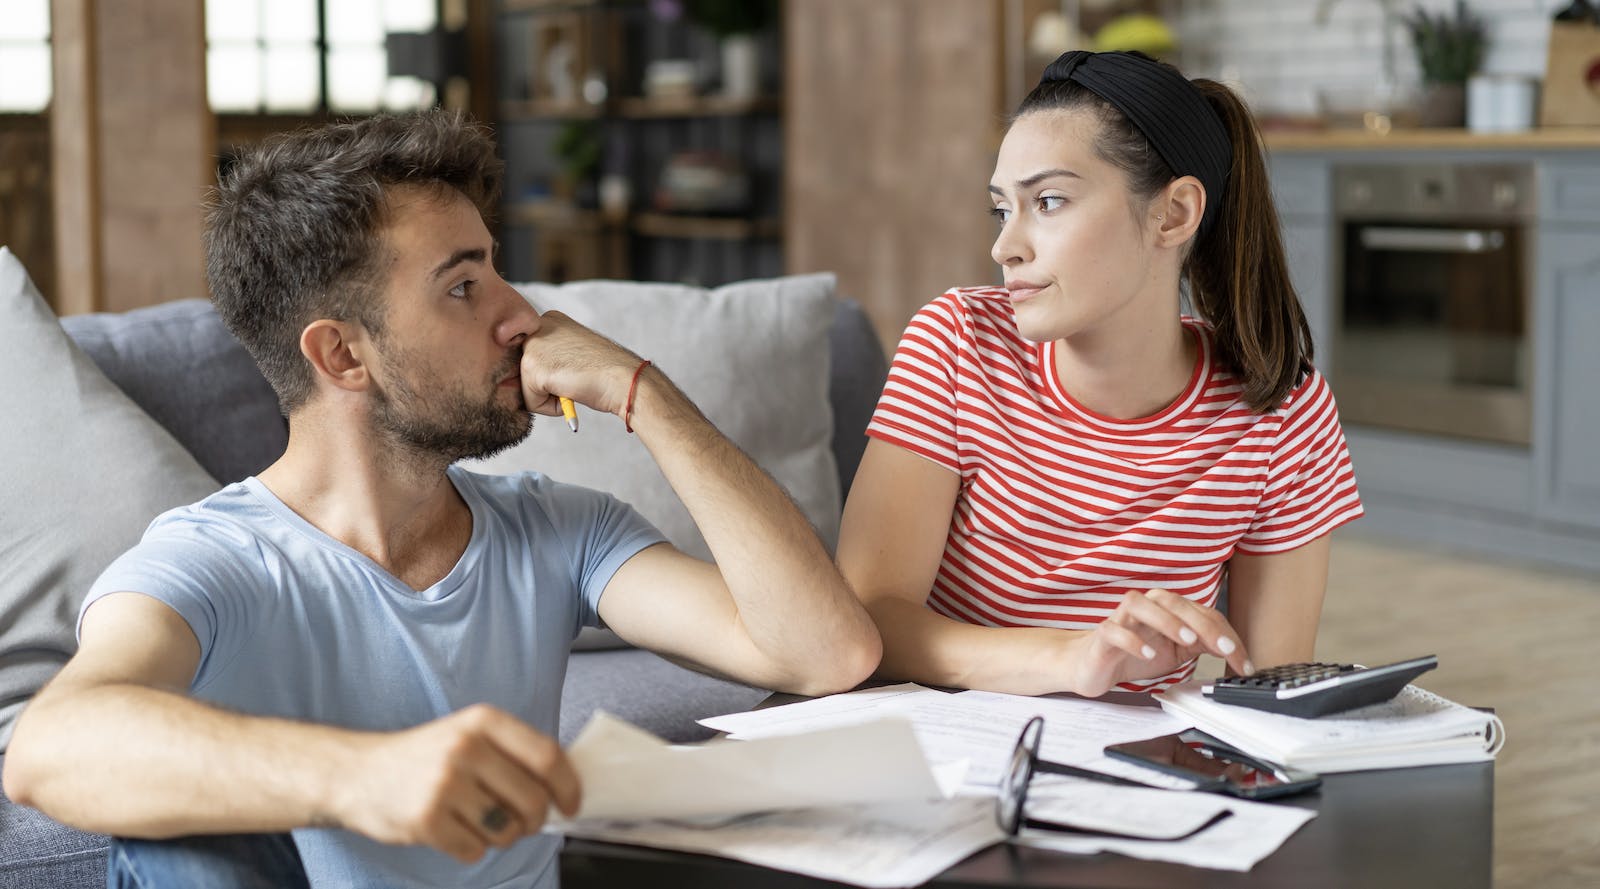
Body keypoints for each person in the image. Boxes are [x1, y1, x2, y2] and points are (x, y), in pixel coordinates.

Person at [2, 110, 881, 888]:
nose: (521, 316)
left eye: (496, 271)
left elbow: (826, 651)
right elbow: (52, 748)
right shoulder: (215, 561)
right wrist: (366, 776)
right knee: (181, 851)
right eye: (463, 287)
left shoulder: (560, 530)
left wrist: (642, 393)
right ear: (344, 355)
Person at [836, 50, 1363, 701]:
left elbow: (1267, 686)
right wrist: (1072, 658)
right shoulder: (958, 345)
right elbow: (868, 619)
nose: (1006, 246)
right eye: (1003, 209)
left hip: (1139, 773)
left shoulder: (1284, 407)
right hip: (951, 745)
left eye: (1049, 201)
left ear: (1173, 214)